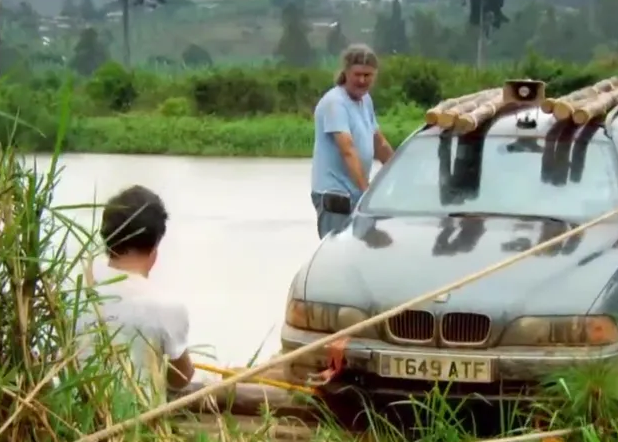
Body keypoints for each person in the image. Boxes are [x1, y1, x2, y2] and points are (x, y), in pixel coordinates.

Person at [78, 185, 287, 413]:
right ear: (155, 245)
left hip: (78, 414)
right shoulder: (165, 308)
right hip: (139, 421)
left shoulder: (77, 290)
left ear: (107, 238)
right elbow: (180, 378)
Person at [310, 44, 395, 238]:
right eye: (357, 74)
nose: (362, 80)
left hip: (356, 194)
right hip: (335, 196)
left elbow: (379, 142)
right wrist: (367, 192)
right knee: (338, 251)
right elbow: (347, 149)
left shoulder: (365, 100)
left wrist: (401, 172)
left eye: (367, 75)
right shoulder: (335, 103)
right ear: (346, 72)